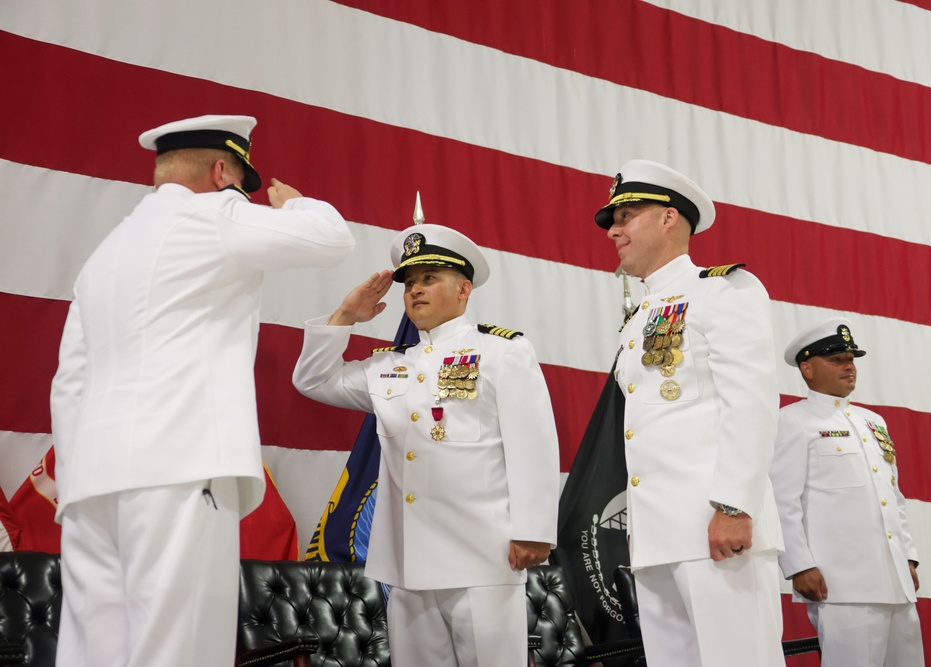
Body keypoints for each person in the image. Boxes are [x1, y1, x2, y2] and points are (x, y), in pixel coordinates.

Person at [49, 114, 356, 667]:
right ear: (222, 172)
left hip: (91, 487)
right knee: (178, 650)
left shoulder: (105, 254)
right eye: (241, 180)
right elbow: (333, 237)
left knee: (92, 653)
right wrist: (294, 207)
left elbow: (69, 381)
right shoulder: (214, 213)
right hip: (180, 470)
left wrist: (77, 478)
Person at [292, 224, 560, 666]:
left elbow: (533, 444)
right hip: (407, 565)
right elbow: (313, 380)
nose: (415, 290)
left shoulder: (501, 352)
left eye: (429, 278)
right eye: (409, 282)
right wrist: (345, 315)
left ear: (464, 289)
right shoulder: (390, 366)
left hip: (483, 559)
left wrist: (533, 531)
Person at [596, 159, 785, 666]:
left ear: (668, 218)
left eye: (626, 215)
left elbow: (751, 401)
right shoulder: (639, 318)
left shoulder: (722, 289)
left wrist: (734, 507)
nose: (614, 230)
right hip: (658, 535)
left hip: (716, 528)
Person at [770, 317, 924, 666]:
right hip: (842, 583)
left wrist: (908, 557)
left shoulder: (873, 422)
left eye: (851, 359)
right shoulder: (792, 421)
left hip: (894, 579)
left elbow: (893, 495)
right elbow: (782, 500)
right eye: (836, 360)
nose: (848, 367)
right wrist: (798, 566)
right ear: (807, 369)